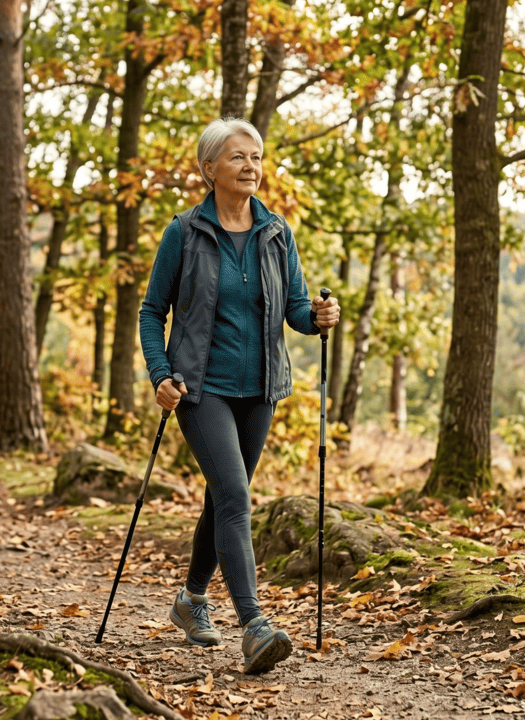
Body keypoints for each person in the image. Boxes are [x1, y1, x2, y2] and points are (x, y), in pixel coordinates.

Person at [139, 117, 341, 674]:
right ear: (209, 169)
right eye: (237, 157)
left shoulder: (276, 232)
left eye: (256, 156)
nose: (251, 166)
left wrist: (319, 317)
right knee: (235, 497)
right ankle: (254, 625)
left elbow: (295, 310)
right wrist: (160, 372)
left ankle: (191, 599)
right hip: (200, 389)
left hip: (261, 390)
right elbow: (152, 311)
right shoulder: (184, 231)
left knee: (222, 497)